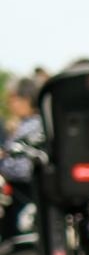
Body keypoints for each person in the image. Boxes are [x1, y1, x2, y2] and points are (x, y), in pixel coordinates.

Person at [1, 77, 42, 242]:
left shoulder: (32, 127)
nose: (10, 105)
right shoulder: (28, 125)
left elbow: (24, 167)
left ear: (25, 100)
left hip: (24, 194)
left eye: (12, 99)